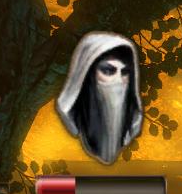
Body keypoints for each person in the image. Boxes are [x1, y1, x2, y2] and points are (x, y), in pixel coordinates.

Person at [55, 32, 143, 165]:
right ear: (87, 73)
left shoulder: (132, 123)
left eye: (124, 72)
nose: (119, 80)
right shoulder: (75, 117)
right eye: (108, 71)